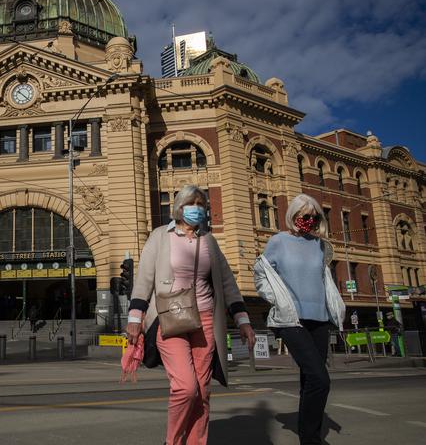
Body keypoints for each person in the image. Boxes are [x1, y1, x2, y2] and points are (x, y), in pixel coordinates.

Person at [126, 185, 256, 445]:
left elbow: (227, 282)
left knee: (203, 391)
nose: (196, 208)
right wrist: (134, 318)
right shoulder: (160, 236)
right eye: (190, 203)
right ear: (179, 207)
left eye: (200, 203)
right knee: (186, 387)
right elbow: (144, 280)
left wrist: (243, 320)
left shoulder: (209, 240)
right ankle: (172, 442)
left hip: (206, 318)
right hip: (169, 317)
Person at [254, 194, 345, 445]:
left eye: (315, 216)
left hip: (320, 319)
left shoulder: (320, 245)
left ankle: (308, 436)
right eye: (305, 216)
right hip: (290, 320)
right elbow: (260, 273)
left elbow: (323, 280)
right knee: (320, 379)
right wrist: (276, 298)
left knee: (310, 379)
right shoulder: (279, 241)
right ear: (294, 216)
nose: (310, 220)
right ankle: (312, 439)